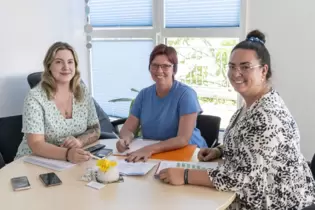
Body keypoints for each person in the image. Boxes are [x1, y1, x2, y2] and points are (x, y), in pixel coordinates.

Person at [158, 30, 315, 209]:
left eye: (245, 66)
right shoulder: (252, 104)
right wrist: (219, 151)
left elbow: (242, 178)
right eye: (232, 66)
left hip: (275, 203)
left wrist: (185, 175)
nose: (236, 73)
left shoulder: (269, 115)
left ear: (263, 70)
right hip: (254, 194)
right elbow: (250, 143)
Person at [117, 44, 207, 162]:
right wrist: (125, 139)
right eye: (155, 65)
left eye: (166, 66)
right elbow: (128, 128)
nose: (159, 70)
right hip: (155, 153)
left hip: (190, 153)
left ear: (174, 69)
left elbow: (182, 139)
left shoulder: (186, 94)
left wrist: (149, 149)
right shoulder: (144, 95)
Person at [15, 42, 100, 163]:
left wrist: (79, 141)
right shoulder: (35, 97)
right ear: (49, 66)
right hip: (34, 160)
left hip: (68, 162)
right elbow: (36, 143)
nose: (66, 67)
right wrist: (68, 154)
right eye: (59, 62)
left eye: (70, 62)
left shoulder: (82, 91)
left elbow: (95, 129)